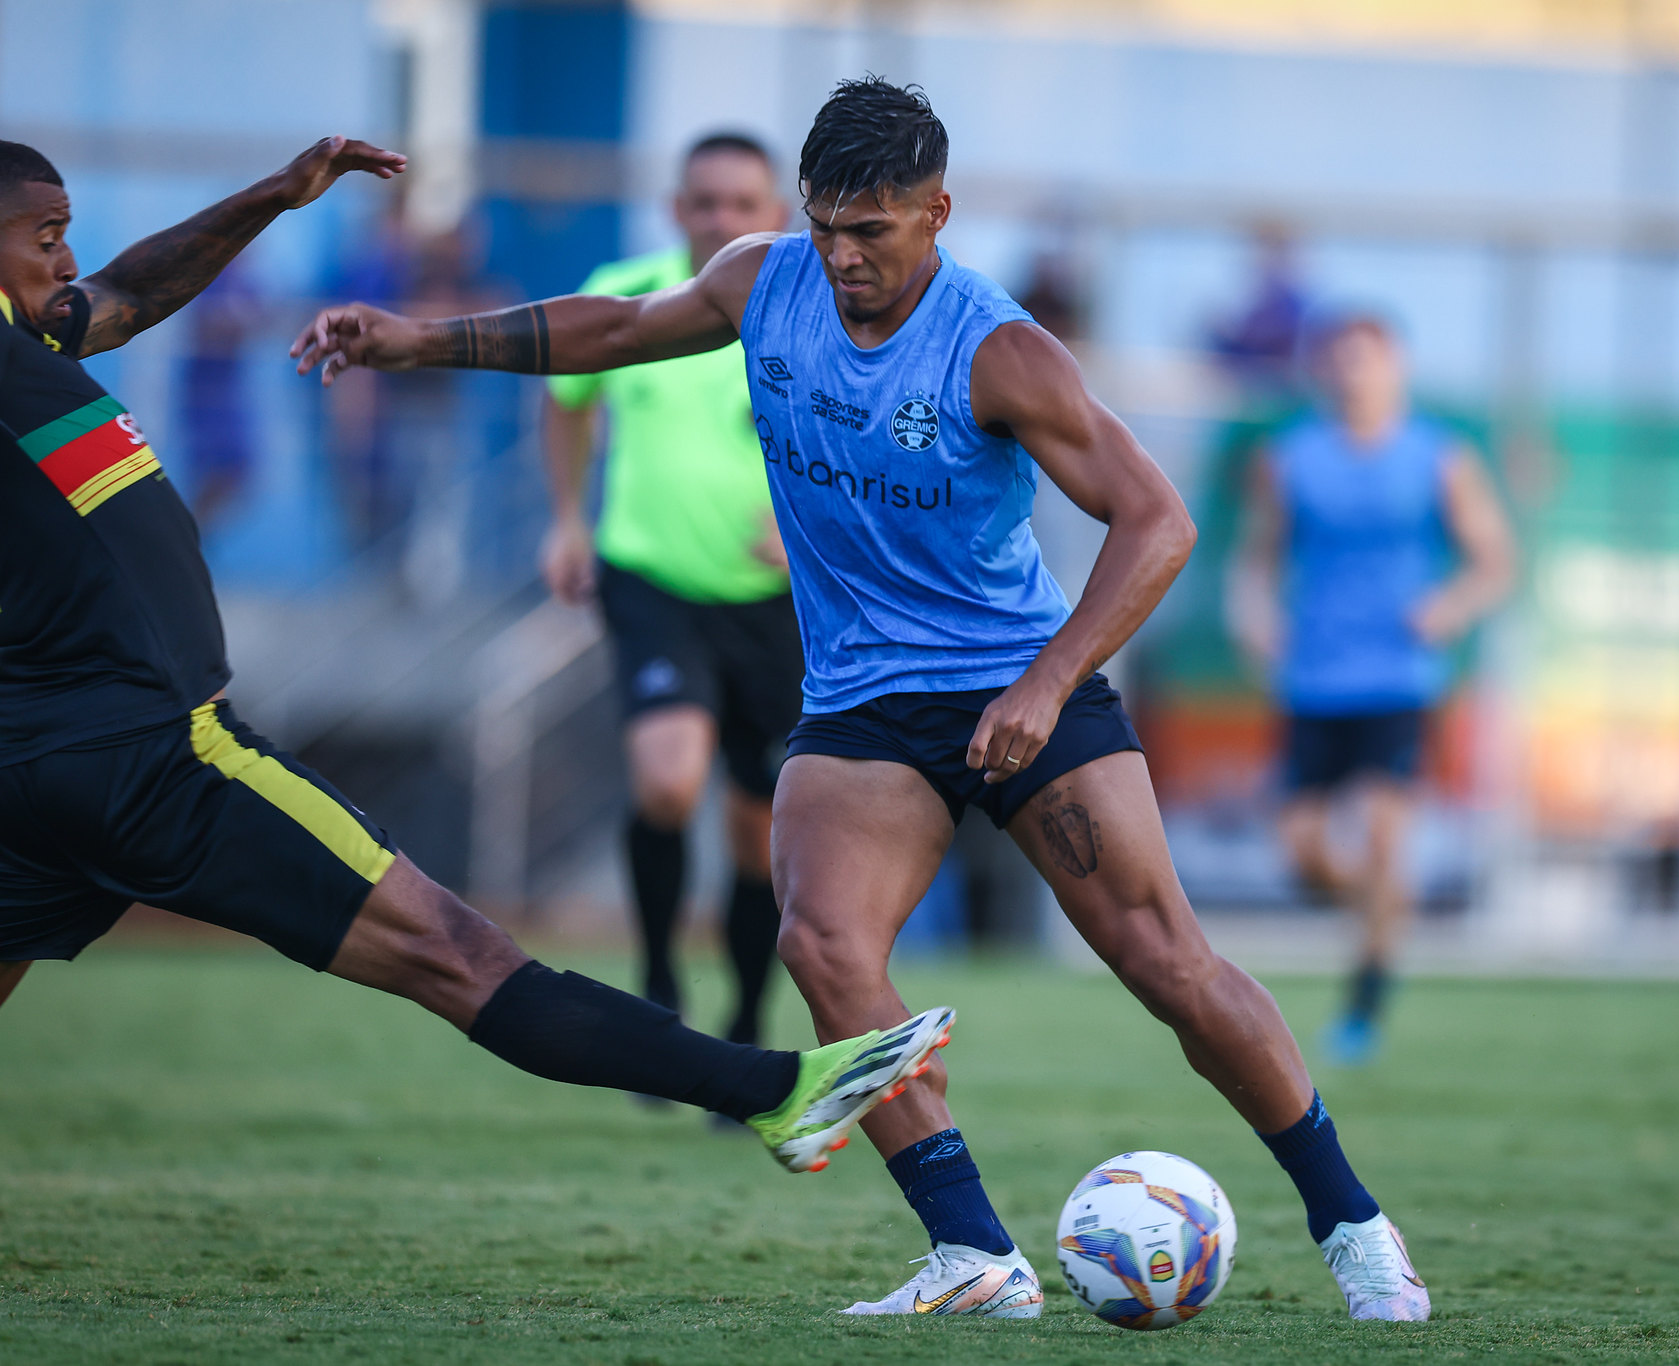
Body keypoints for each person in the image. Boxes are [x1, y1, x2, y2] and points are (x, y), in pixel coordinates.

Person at [290, 78, 1431, 1325]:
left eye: (871, 231)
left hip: (1014, 684)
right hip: (859, 702)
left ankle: (1354, 1224)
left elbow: (1158, 520)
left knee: (1163, 961)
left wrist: (1048, 686)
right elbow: (617, 329)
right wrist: (418, 341)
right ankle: (973, 1253)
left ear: (936, 213)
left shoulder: (999, 350)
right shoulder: (762, 281)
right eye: (825, 225)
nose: (841, 257)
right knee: (822, 944)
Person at [0, 136, 950, 1180]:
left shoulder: (32, 334)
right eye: (46, 238)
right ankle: (773, 1089)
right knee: (460, 954)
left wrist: (275, 195)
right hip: (157, 757)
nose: (67, 261)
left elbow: (128, 289)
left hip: (39, 764)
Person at [538, 132, 796, 1068]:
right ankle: (655, 984)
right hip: (649, 577)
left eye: (743, 204)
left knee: (757, 829)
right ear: (676, 209)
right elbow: (566, 398)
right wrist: (567, 518)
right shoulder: (629, 287)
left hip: (776, 604)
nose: (723, 219)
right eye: (706, 202)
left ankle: (745, 1025)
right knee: (666, 780)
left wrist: (806, 527)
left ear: (775, 216)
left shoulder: (810, 310)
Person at [1233, 310, 1515, 1064]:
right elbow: (1256, 558)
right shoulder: (1291, 458)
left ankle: (1365, 1000)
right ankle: (1384, 918)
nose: (1356, 373)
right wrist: (1256, 616)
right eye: (1343, 361)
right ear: (1325, 371)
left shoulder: (1440, 457)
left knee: (1389, 840)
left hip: (1399, 678)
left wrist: (1448, 606)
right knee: (1300, 851)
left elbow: (1493, 559)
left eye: (1371, 360)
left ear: (1398, 369)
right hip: (1314, 678)